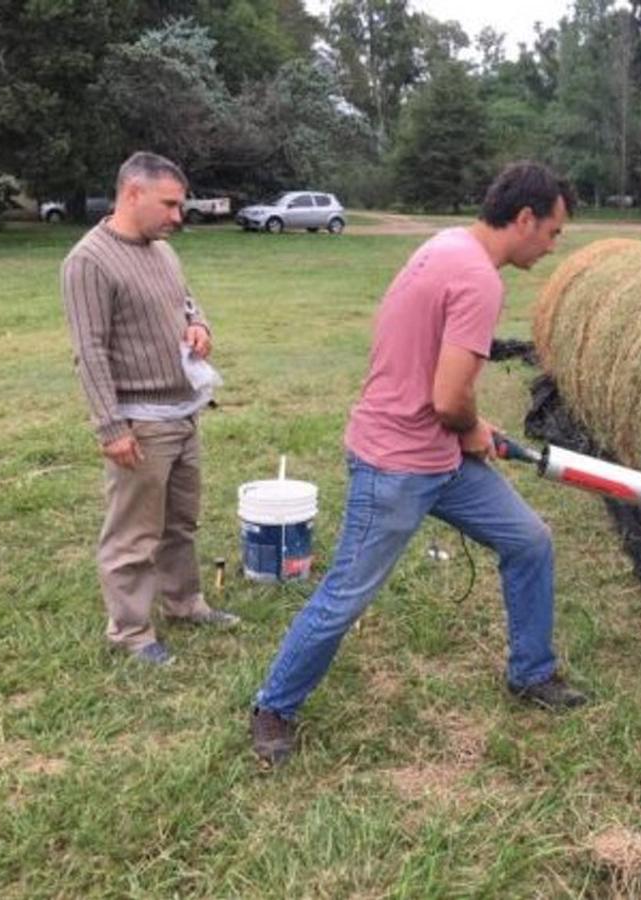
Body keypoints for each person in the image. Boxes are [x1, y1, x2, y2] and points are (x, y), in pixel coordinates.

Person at [250, 161, 584, 767]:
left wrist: (469, 434)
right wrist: (475, 427)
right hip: (396, 463)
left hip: (441, 456)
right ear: (526, 218)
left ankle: (531, 673)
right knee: (348, 592)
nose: (553, 246)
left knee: (530, 541)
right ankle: (274, 706)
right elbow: (450, 399)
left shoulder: (448, 244)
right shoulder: (479, 279)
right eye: (554, 232)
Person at [61, 151, 238, 667]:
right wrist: (111, 426)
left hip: (184, 410)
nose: (177, 216)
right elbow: (89, 350)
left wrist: (200, 324)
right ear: (132, 193)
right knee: (133, 534)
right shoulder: (88, 261)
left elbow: (185, 301)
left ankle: (184, 602)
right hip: (140, 420)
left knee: (180, 521)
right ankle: (132, 632)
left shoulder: (161, 250)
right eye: (170, 204)